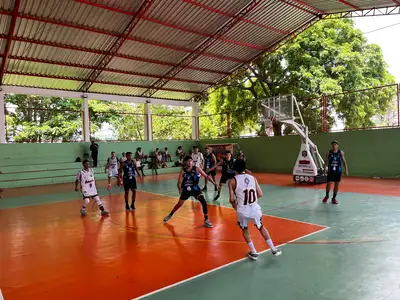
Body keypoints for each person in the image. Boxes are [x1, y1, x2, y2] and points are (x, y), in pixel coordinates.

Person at [228, 159, 281, 260]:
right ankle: (273, 249)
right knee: (261, 227)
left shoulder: (232, 181)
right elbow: (260, 194)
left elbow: (231, 199)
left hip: (242, 210)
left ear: (234, 168)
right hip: (254, 209)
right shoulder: (253, 178)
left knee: (244, 229)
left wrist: (236, 207)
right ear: (245, 168)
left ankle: (253, 252)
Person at [163, 156, 216, 228]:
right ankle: (170, 215)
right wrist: (180, 189)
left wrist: (213, 182)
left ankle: (206, 220)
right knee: (179, 204)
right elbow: (179, 183)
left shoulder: (197, 169)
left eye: (190, 161)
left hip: (195, 189)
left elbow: (206, 176)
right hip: (186, 190)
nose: (189, 162)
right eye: (188, 161)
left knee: (204, 202)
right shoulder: (183, 171)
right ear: (185, 162)